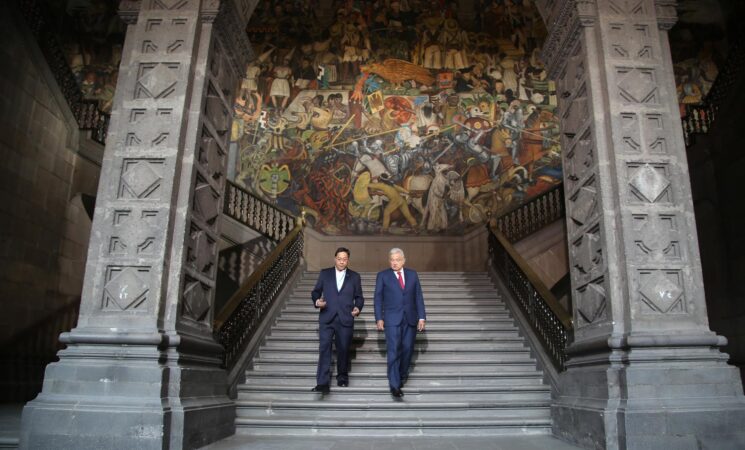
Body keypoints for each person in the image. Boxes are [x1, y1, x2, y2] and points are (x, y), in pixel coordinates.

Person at [374, 248, 426, 397]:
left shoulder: (413, 274)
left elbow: (418, 297)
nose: (394, 262)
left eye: (397, 259)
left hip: (410, 318)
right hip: (391, 319)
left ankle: (402, 374)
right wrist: (379, 318)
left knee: (408, 348)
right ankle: (395, 385)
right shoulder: (383, 276)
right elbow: (378, 299)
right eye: (392, 260)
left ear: (403, 260)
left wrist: (422, 317)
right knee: (393, 350)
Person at [311, 247, 364, 393]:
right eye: (339, 259)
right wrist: (317, 302)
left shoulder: (354, 276)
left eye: (344, 259)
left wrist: (358, 308)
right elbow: (316, 292)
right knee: (324, 349)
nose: (342, 262)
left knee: (343, 350)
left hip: (345, 318)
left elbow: (359, 297)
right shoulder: (325, 274)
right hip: (327, 317)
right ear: (335, 259)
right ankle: (322, 383)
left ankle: (342, 378)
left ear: (348, 260)